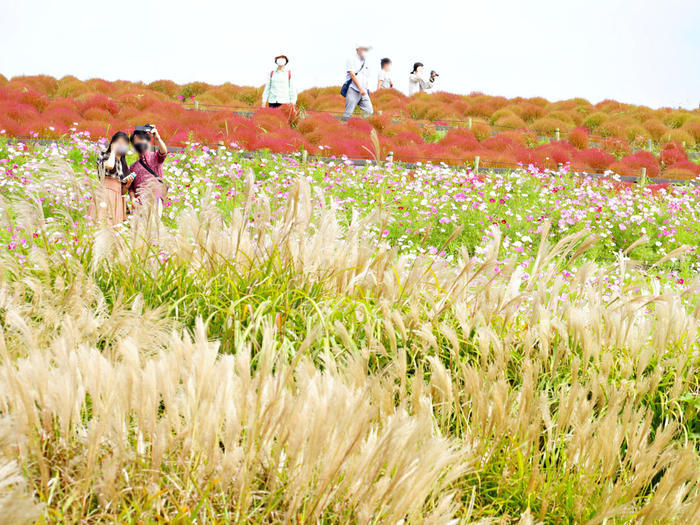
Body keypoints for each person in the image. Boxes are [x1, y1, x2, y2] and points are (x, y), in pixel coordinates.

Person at [90, 131, 134, 225]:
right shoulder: (104, 156)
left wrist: (127, 185)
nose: (122, 145)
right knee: (102, 222)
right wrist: (113, 151)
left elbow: (122, 191)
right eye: (119, 143)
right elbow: (110, 165)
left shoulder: (124, 165)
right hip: (104, 193)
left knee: (114, 227)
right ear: (113, 143)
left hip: (117, 197)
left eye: (125, 144)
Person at [128, 124, 168, 214]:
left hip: (155, 199)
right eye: (136, 142)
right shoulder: (133, 166)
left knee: (153, 226)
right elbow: (131, 187)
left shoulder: (156, 157)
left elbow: (164, 152)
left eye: (142, 140)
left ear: (148, 142)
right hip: (139, 204)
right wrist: (132, 198)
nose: (140, 144)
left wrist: (157, 138)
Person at [342, 44, 373, 118]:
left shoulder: (366, 61)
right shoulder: (351, 59)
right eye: (363, 49)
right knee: (348, 113)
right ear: (358, 49)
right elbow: (352, 75)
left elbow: (366, 77)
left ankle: (359, 125)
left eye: (366, 49)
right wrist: (360, 88)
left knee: (369, 110)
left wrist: (366, 89)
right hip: (353, 89)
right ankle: (345, 127)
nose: (365, 51)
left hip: (363, 90)